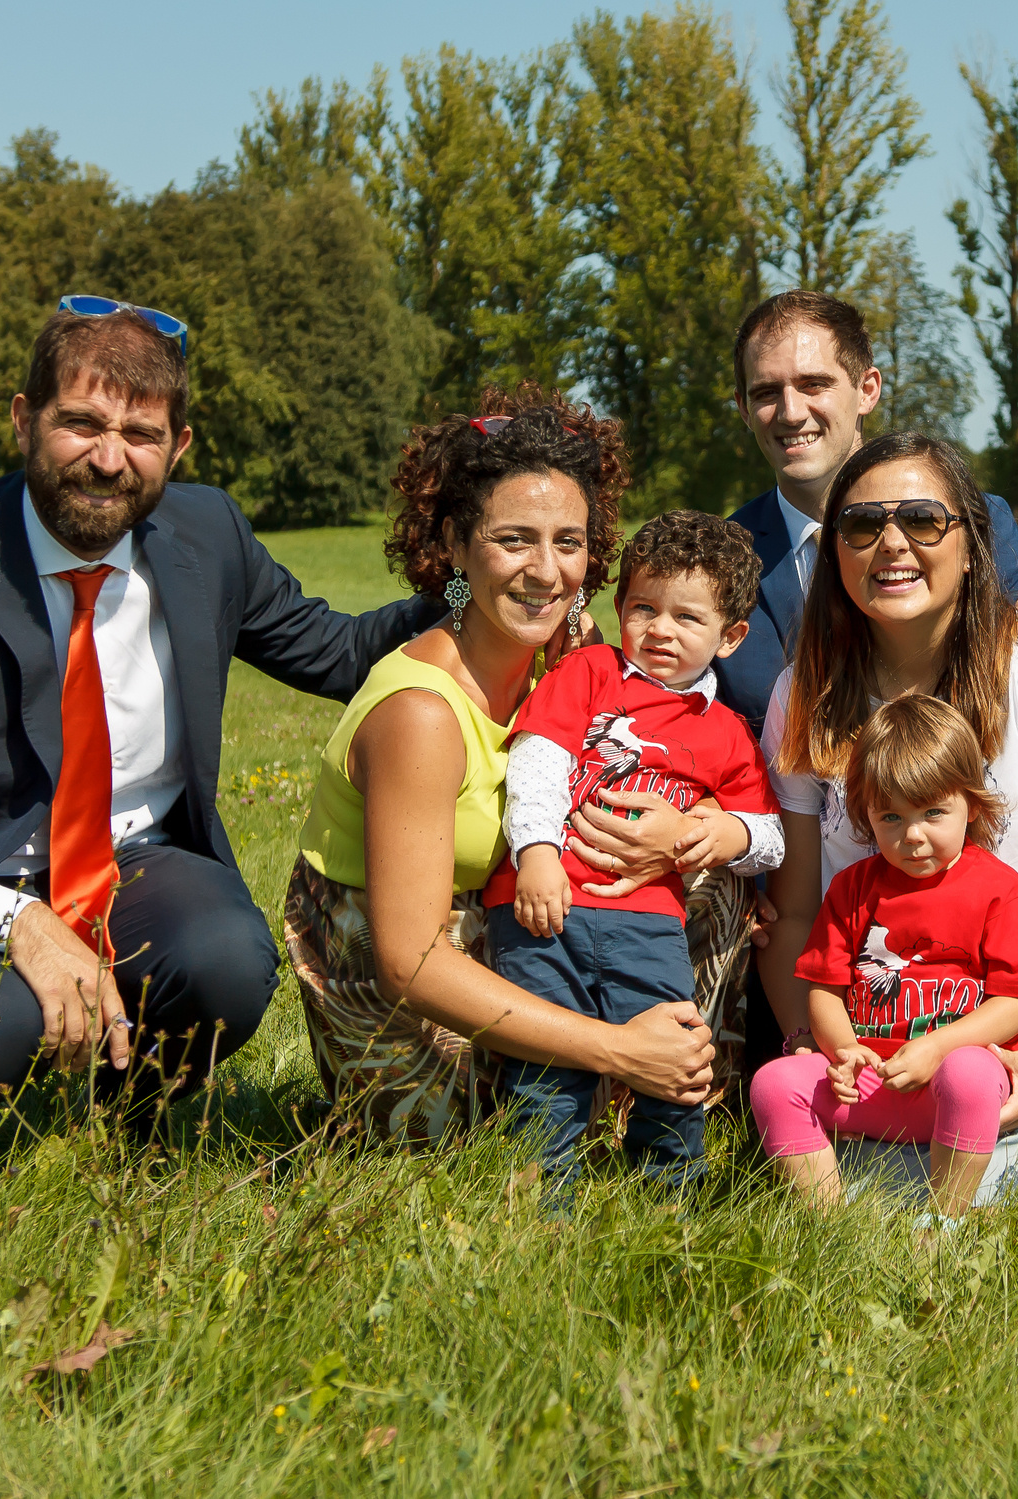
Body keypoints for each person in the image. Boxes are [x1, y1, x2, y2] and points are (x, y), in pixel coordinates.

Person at [0, 297, 443, 1119]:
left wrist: (471, 580)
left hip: (131, 864)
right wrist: (16, 921)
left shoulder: (208, 534)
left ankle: (122, 1112)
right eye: (81, 423)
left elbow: (346, 654)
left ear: (179, 446)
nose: (109, 459)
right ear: (24, 420)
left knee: (227, 961)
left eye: (140, 435)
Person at [285, 389, 724, 1144]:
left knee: (717, 870)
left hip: (512, 919)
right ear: (455, 544)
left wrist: (703, 826)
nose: (546, 572)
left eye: (569, 542)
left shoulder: (566, 662)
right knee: (479, 1145)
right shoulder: (420, 714)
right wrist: (616, 1048)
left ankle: (697, 1091)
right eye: (515, 539)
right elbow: (409, 962)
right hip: (397, 967)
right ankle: (629, 1067)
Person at [710, 287, 1018, 1072]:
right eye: (766, 392)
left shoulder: (971, 518)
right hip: (807, 921)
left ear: (868, 389)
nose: (791, 410)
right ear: (745, 409)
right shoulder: (721, 556)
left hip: (993, 914)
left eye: (813, 384)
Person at [761, 433, 1018, 1204]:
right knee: (842, 1180)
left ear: (971, 545)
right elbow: (797, 909)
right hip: (870, 1044)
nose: (892, 542)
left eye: (924, 519)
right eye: (862, 525)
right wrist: (813, 1045)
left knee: (957, 1184)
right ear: (835, 553)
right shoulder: (803, 695)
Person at [482, 510, 782, 1180]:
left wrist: (714, 833)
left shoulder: (726, 730)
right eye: (644, 608)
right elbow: (538, 759)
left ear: (731, 636)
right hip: (543, 904)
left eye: (688, 618)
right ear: (619, 607)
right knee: (546, 1062)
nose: (661, 630)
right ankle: (539, 1202)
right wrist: (534, 852)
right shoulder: (591, 671)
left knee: (674, 1055)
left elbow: (769, 837)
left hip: (647, 919)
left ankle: (668, 1193)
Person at [751, 695, 1018, 1216]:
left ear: (973, 804)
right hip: (870, 1080)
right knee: (775, 1083)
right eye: (890, 816)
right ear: (865, 815)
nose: (913, 836)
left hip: (953, 1086)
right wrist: (844, 1050)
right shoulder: (854, 888)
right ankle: (826, 1220)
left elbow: (1017, 1004)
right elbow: (824, 992)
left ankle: (943, 1221)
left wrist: (937, 1049)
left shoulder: (1000, 891)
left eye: (934, 812)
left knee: (970, 1073)